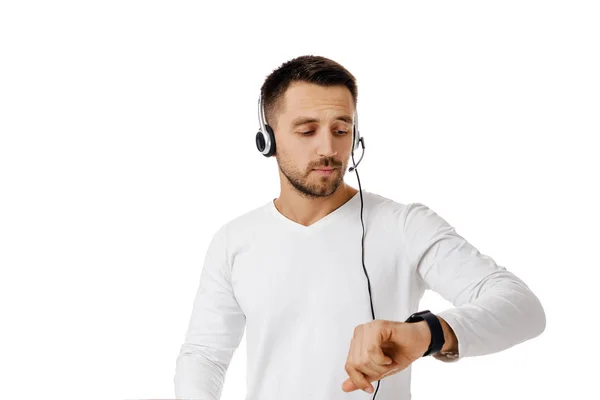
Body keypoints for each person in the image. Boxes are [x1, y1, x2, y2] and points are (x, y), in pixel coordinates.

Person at [173, 55, 546, 400]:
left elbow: (523, 307)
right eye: (307, 131)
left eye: (341, 129)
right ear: (267, 138)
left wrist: (427, 333)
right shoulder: (234, 240)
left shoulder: (404, 225)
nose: (329, 149)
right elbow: (204, 354)